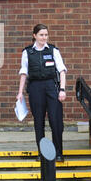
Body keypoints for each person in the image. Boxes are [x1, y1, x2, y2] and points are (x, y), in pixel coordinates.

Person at [16, 24, 67, 162]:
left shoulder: (53, 50)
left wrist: (62, 89)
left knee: (55, 120)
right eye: (41, 35)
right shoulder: (27, 52)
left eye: (46, 35)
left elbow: (62, 70)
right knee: (38, 121)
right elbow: (24, 72)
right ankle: (42, 153)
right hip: (35, 87)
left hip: (51, 87)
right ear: (34, 36)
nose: (44, 37)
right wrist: (20, 92)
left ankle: (58, 152)